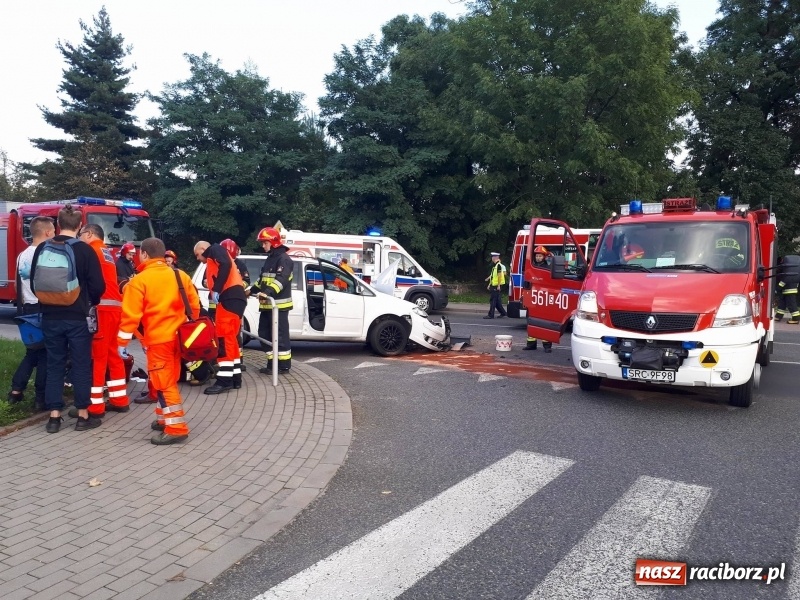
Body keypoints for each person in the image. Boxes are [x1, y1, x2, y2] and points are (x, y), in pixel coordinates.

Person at [30, 204, 105, 433]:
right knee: (81, 365)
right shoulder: (85, 250)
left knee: (54, 364)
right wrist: (88, 301)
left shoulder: (43, 247)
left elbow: (35, 283)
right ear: (80, 225)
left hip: (50, 316)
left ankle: (53, 417)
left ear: (58, 225)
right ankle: (83, 416)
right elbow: (98, 286)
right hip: (77, 317)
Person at [117, 237, 200, 444]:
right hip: (180, 339)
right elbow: (195, 306)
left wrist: (121, 343)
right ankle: (164, 419)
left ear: (144, 254)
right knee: (168, 379)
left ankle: (176, 428)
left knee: (164, 384)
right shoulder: (180, 275)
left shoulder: (139, 281)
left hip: (158, 340)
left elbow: (130, 317)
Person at [73, 223, 130, 418]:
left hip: (102, 310)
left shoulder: (91, 251)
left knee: (98, 357)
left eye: (81, 234)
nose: (79, 238)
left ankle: (95, 406)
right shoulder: (106, 252)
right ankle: (119, 399)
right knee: (113, 355)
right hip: (115, 309)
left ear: (88, 234)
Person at [8, 216, 55, 410]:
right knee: (45, 354)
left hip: (27, 308)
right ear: (45, 233)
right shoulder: (45, 254)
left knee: (32, 352)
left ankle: (16, 391)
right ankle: (40, 399)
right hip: (42, 307)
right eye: (53, 232)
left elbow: (19, 285)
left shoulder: (22, 255)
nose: (54, 235)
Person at [194, 240, 247, 394]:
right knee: (231, 339)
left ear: (203, 249)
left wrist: (216, 289)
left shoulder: (215, 250)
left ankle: (224, 380)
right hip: (234, 299)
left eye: (197, 254)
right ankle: (235, 378)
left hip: (229, 298)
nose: (198, 258)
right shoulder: (214, 256)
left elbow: (225, 264)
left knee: (224, 338)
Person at [249, 227, 294, 374]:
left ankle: (283, 366)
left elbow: (280, 281)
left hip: (279, 306)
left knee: (279, 336)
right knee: (264, 334)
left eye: (264, 242)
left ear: (273, 242)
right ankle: (272, 363)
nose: (263, 246)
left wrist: (266, 293)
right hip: (268, 304)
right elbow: (262, 280)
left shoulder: (284, 259)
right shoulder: (271, 258)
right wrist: (250, 290)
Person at [524, 246, 553, 352]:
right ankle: (531, 344)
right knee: (531, 321)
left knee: (544, 322)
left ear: (544, 257)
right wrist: (525, 298)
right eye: (537, 256)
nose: (538, 258)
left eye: (540, 256)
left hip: (543, 298)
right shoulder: (531, 266)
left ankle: (547, 346)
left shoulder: (548, 269)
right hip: (532, 297)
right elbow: (527, 283)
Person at [775, 255, 800, 324]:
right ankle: (778, 316)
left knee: (791, 304)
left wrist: (778, 288)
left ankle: (796, 318)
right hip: (787, 289)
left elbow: (784, 280)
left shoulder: (787, 270)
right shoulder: (791, 269)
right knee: (782, 303)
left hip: (789, 290)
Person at [483, 252, 507, 319]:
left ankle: (491, 315)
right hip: (495, 285)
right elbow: (493, 277)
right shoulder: (496, 266)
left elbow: (499, 276)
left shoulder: (498, 266)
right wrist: (489, 284)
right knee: (497, 301)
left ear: (495, 258)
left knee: (493, 300)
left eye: (492, 257)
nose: (492, 258)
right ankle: (503, 313)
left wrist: (498, 285)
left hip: (496, 286)